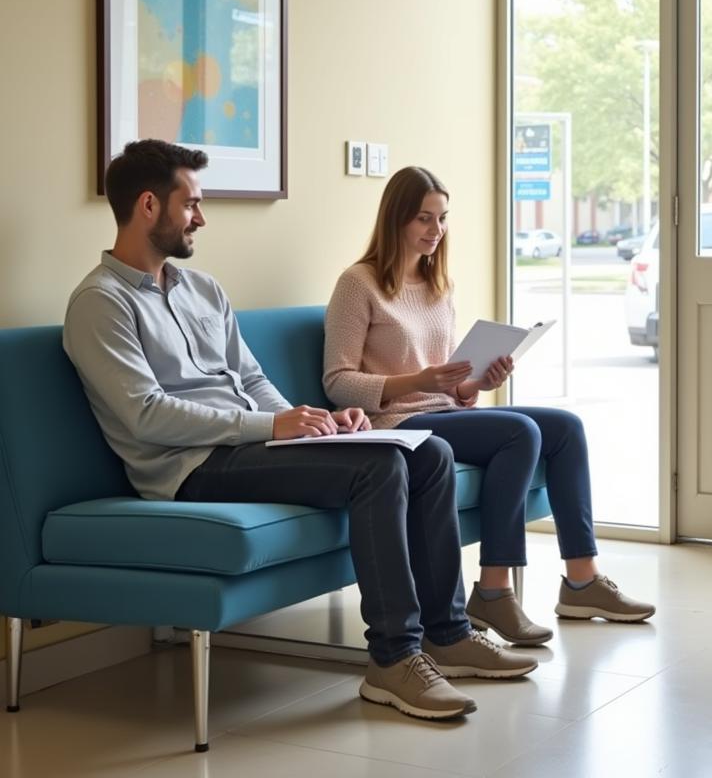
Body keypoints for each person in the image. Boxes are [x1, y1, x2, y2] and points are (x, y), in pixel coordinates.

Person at [63, 139, 537, 723]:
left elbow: (253, 379)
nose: (202, 218)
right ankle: (393, 660)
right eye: (192, 205)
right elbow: (147, 414)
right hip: (192, 468)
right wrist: (272, 425)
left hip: (254, 444)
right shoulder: (99, 304)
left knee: (429, 452)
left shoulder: (202, 290)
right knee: (380, 466)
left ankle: (448, 632)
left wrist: (315, 421)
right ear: (148, 207)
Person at [323, 166, 655, 647]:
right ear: (395, 219)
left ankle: (582, 579)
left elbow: (448, 382)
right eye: (423, 219)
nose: (436, 231)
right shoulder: (359, 283)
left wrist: (473, 385)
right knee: (521, 432)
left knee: (565, 426)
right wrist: (421, 381)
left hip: (444, 411)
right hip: (400, 422)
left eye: (442, 219)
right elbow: (337, 383)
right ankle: (494, 591)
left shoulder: (439, 284)